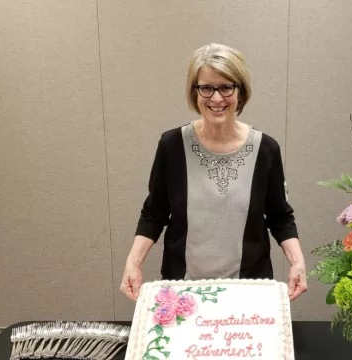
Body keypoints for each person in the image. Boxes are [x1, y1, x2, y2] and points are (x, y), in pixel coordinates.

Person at [120, 43, 307, 302]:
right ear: (194, 92)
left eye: (226, 87)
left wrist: (297, 262)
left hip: (249, 292)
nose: (216, 98)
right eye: (206, 87)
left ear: (240, 92)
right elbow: (154, 212)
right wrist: (133, 262)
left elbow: (280, 217)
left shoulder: (266, 149)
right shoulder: (172, 146)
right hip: (182, 293)